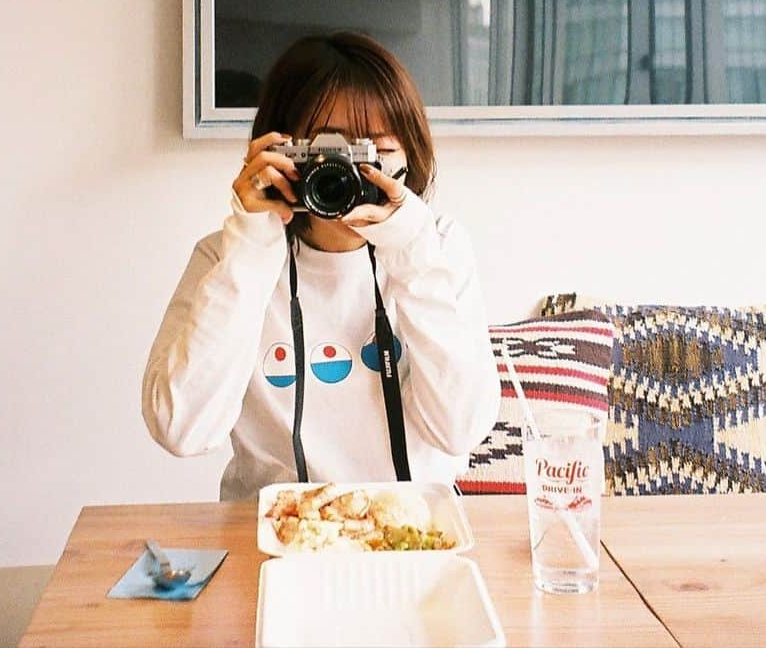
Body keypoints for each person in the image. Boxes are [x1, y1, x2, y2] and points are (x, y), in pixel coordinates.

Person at [142, 31, 499, 500]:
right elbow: (181, 431)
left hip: (412, 538)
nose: (347, 173)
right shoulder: (226, 257)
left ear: (411, 155)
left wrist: (411, 252)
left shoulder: (439, 248)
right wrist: (252, 242)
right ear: (279, 153)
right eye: (327, 153)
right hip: (272, 539)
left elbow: (461, 431)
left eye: (375, 153)